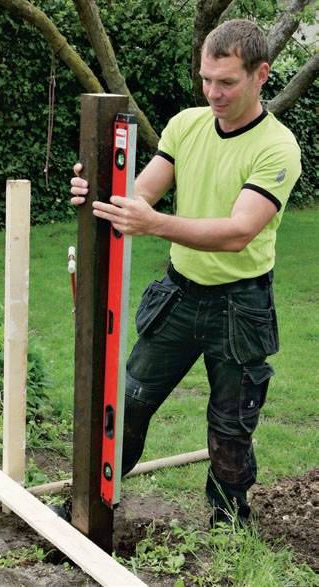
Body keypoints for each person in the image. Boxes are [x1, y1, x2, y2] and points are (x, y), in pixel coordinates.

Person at [70, 19, 301, 527]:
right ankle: (87, 509)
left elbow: (238, 231)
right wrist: (99, 196)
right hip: (178, 296)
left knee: (229, 430)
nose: (213, 93)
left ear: (261, 75)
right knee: (125, 405)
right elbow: (141, 193)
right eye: (206, 79)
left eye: (227, 82)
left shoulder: (278, 147)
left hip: (240, 306)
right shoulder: (186, 125)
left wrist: (153, 224)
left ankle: (229, 528)